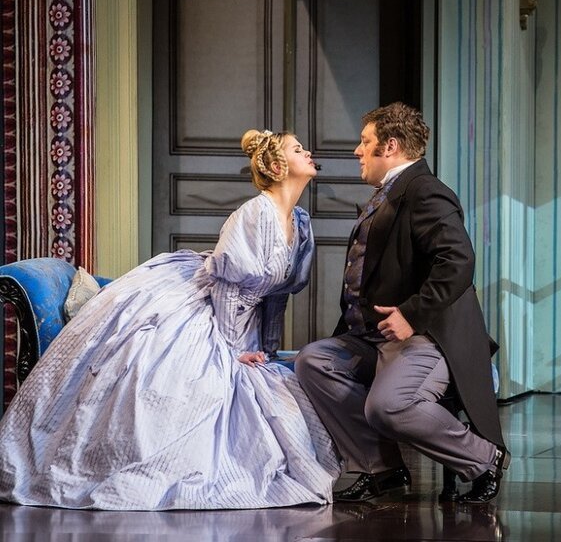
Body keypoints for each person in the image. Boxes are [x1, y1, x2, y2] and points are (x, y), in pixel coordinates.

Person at [0, 129, 340, 511]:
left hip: (244, 320)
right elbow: (226, 288)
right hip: (210, 308)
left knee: (269, 388)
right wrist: (230, 353)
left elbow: (276, 296)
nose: (308, 152)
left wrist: (266, 347)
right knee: (188, 380)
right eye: (297, 149)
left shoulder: (299, 222)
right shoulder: (254, 214)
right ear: (277, 166)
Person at [296, 101, 509, 505]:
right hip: (375, 336)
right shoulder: (389, 192)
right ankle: (380, 467)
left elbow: (458, 261)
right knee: (314, 361)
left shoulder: (425, 191)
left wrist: (411, 314)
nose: (358, 151)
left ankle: (483, 458)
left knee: (388, 406)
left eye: (365, 142)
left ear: (390, 146)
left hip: (427, 338)